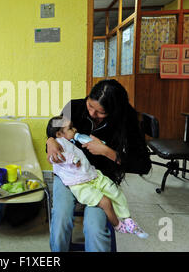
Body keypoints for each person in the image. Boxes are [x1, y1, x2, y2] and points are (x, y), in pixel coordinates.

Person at [47, 79, 151, 252]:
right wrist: (50, 141)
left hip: (100, 177)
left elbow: (142, 165)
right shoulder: (74, 107)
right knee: (60, 220)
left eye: (100, 112)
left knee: (95, 228)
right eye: (90, 106)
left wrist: (106, 151)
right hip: (69, 176)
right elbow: (54, 129)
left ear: (114, 111)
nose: (92, 113)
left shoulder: (128, 121)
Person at [47, 116, 148, 239]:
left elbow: (141, 165)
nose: (75, 129)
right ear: (59, 134)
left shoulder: (70, 141)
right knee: (105, 202)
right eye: (70, 128)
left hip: (93, 174)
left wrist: (104, 149)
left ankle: (127, 218)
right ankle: (118, 225)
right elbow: (55, 157)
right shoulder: (61, 143)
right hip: (79, 183)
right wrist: (51, 141)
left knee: (114, 191)